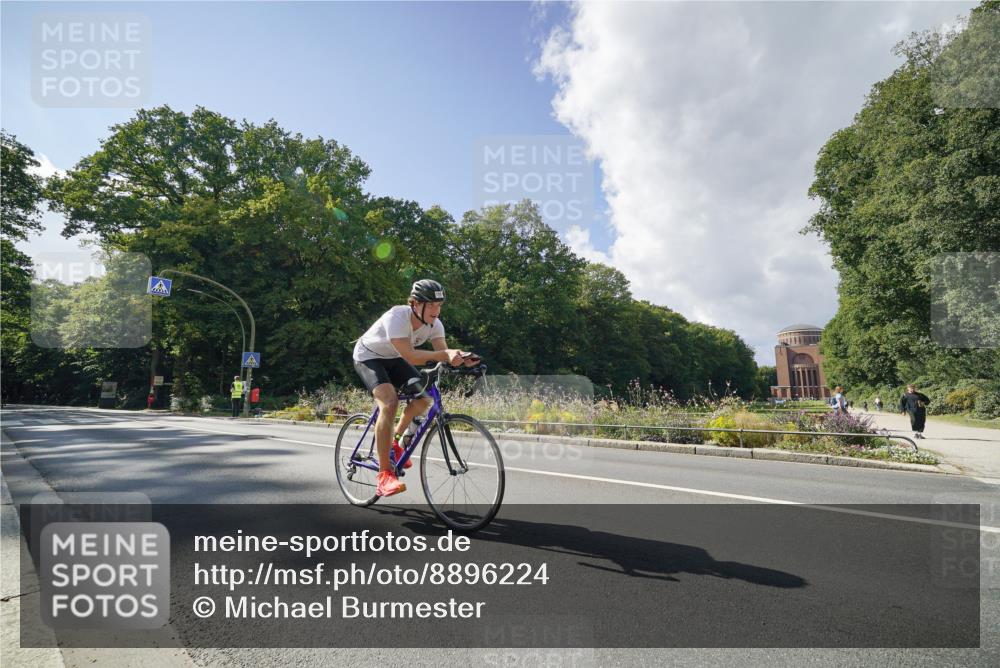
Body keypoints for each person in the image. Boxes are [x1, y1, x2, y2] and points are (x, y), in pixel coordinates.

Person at [352, 280, 479, 497]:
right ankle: (384, 476)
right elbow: (411, 356)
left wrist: (461, 358)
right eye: (431, 305)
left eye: (439, 305)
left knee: (423, 400)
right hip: (369, 357)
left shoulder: (435, 324)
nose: (436, 311)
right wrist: (444, 355)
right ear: (415, 304)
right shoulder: (397, 317)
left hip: (394, 357)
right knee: (389, 402)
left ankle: (395, 440)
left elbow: (442, 354)